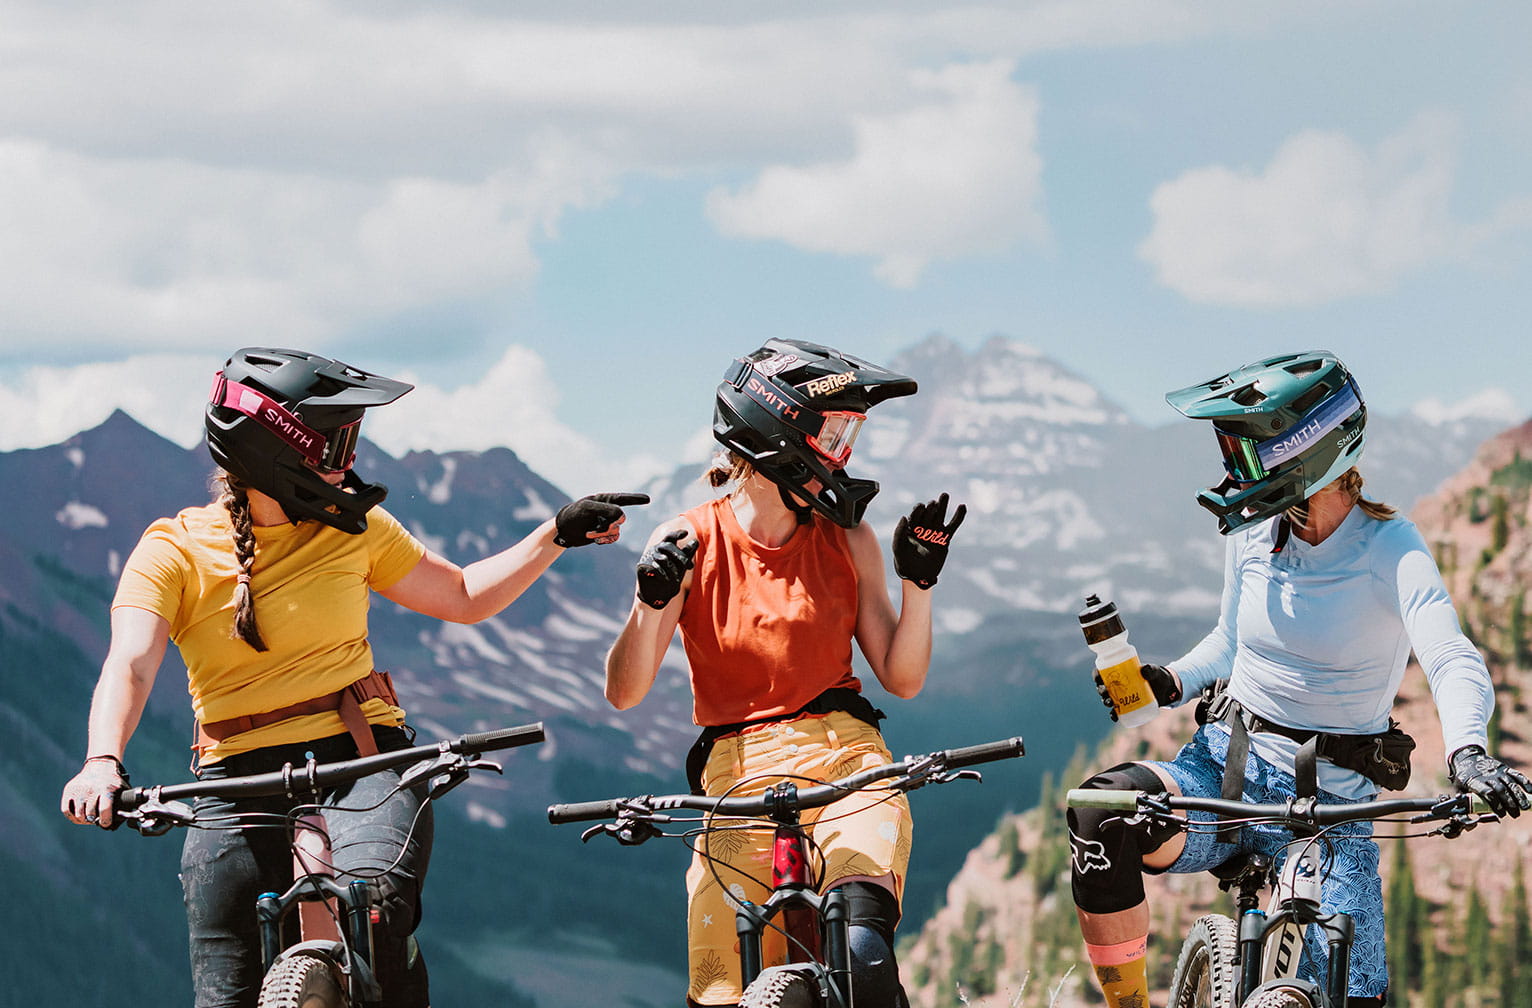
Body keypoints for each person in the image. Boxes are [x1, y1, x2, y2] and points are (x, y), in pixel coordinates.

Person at [59, 347, 648, 1008]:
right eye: (336, 444)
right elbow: (131, 664)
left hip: (361, 760)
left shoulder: (356, 530)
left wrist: (556, 533)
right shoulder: (172, 549)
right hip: (237, 781)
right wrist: (101, 761)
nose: (351, 461)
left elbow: (461, 595)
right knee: (223, 989)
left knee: (374, 912)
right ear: (275, 451)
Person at [1067, 349, 1532, 1008]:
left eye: (1247, 453)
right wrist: (1167, 680)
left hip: (1329, 815)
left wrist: (1469, 750)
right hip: (1223, 777)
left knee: (1333, 987)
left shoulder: (1390, 548)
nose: (1235, 471)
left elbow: (1449, 654)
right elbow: (1230, 641)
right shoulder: (1253, 532)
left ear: (1307, 451)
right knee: (1098, 814)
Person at [605, 338, 966, 1008]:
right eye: (833, 431)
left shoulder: (848, 536)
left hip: (849, 760)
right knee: (719, 989)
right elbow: (625, 690)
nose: (843, 450)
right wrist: (649, 601)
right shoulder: (688, 540)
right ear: (778, 433)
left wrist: (920, 584)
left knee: (862, 953)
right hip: (735, 776)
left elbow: (901, 676)